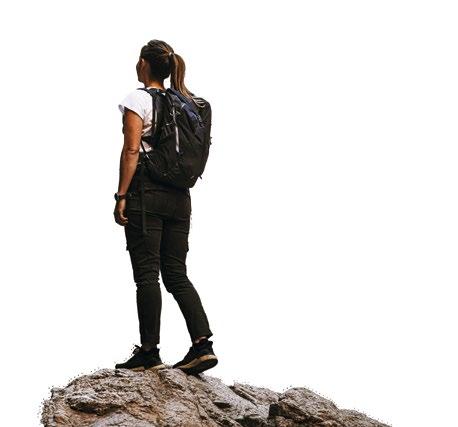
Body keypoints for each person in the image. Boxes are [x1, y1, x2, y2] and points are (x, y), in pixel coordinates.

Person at [113, 39, 217, 375]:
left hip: (147, 194)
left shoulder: (138, 99)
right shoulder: (186, 103)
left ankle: (149, 352)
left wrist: (121, 196)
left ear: (144, 64)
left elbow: (131, 151)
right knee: (176, 273)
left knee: (147, 274)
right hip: (180, 197)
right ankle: (202, 345)